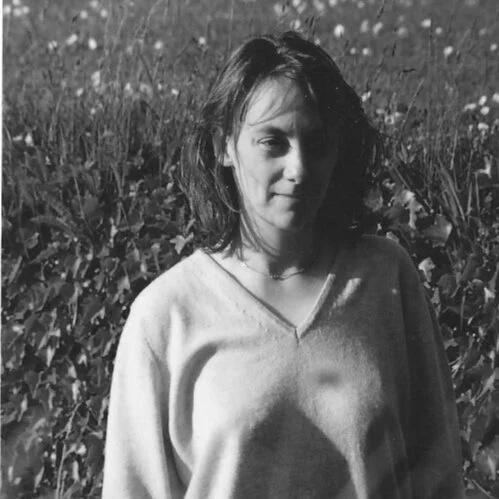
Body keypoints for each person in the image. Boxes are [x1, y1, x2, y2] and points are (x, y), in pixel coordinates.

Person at [102, 31, 465, 498]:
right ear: (224, 146)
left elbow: (439, 472)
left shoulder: (386, 279)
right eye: (272, 142)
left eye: (318, 142)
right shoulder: (166, 316)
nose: (299, 168)